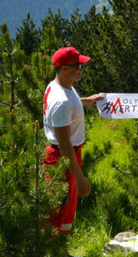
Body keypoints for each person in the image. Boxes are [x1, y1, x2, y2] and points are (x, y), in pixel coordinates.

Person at [43, 46, 104, 234]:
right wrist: (79, 176)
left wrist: (87, 100)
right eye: (77, 65)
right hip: (63, 158)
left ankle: (62, 248)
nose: (81, 68)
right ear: (64, 68)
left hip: (68, 156)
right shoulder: (60, 102)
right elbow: (64, 145)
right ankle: (52, 254)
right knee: (58, 207)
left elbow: (72, 102)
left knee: (68, 206)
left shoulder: (62, 86)